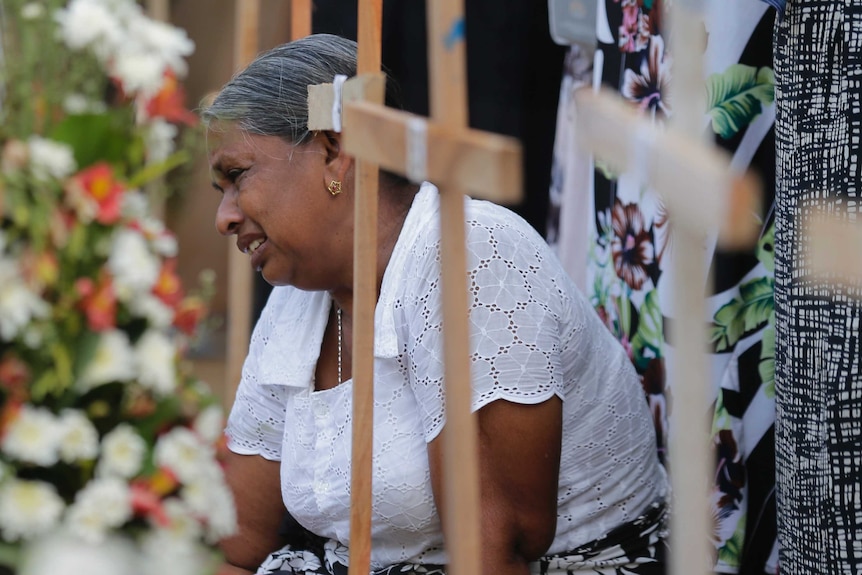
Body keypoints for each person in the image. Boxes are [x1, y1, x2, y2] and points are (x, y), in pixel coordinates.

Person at [202, 34, 669, 575]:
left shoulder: (472, 255)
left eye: (237, 177)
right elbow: (235, 545)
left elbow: (496, 554)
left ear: (334, 149)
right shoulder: (297, 300)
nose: (224, 218)